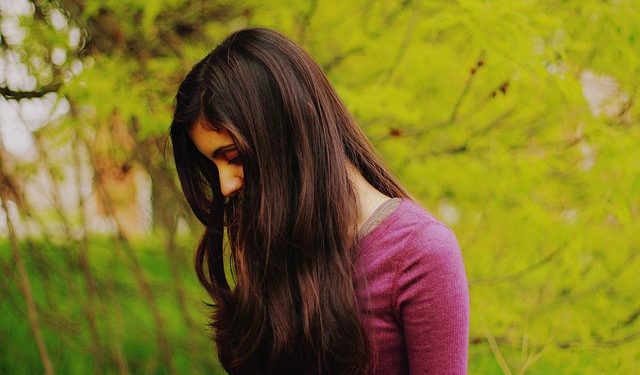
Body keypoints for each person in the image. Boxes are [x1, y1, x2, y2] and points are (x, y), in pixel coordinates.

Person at [169, 27, 469, 375]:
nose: (225, 186)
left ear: (290, 129)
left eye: (233, 156)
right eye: (213, 165)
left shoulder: (419, 254)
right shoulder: (274, 242)